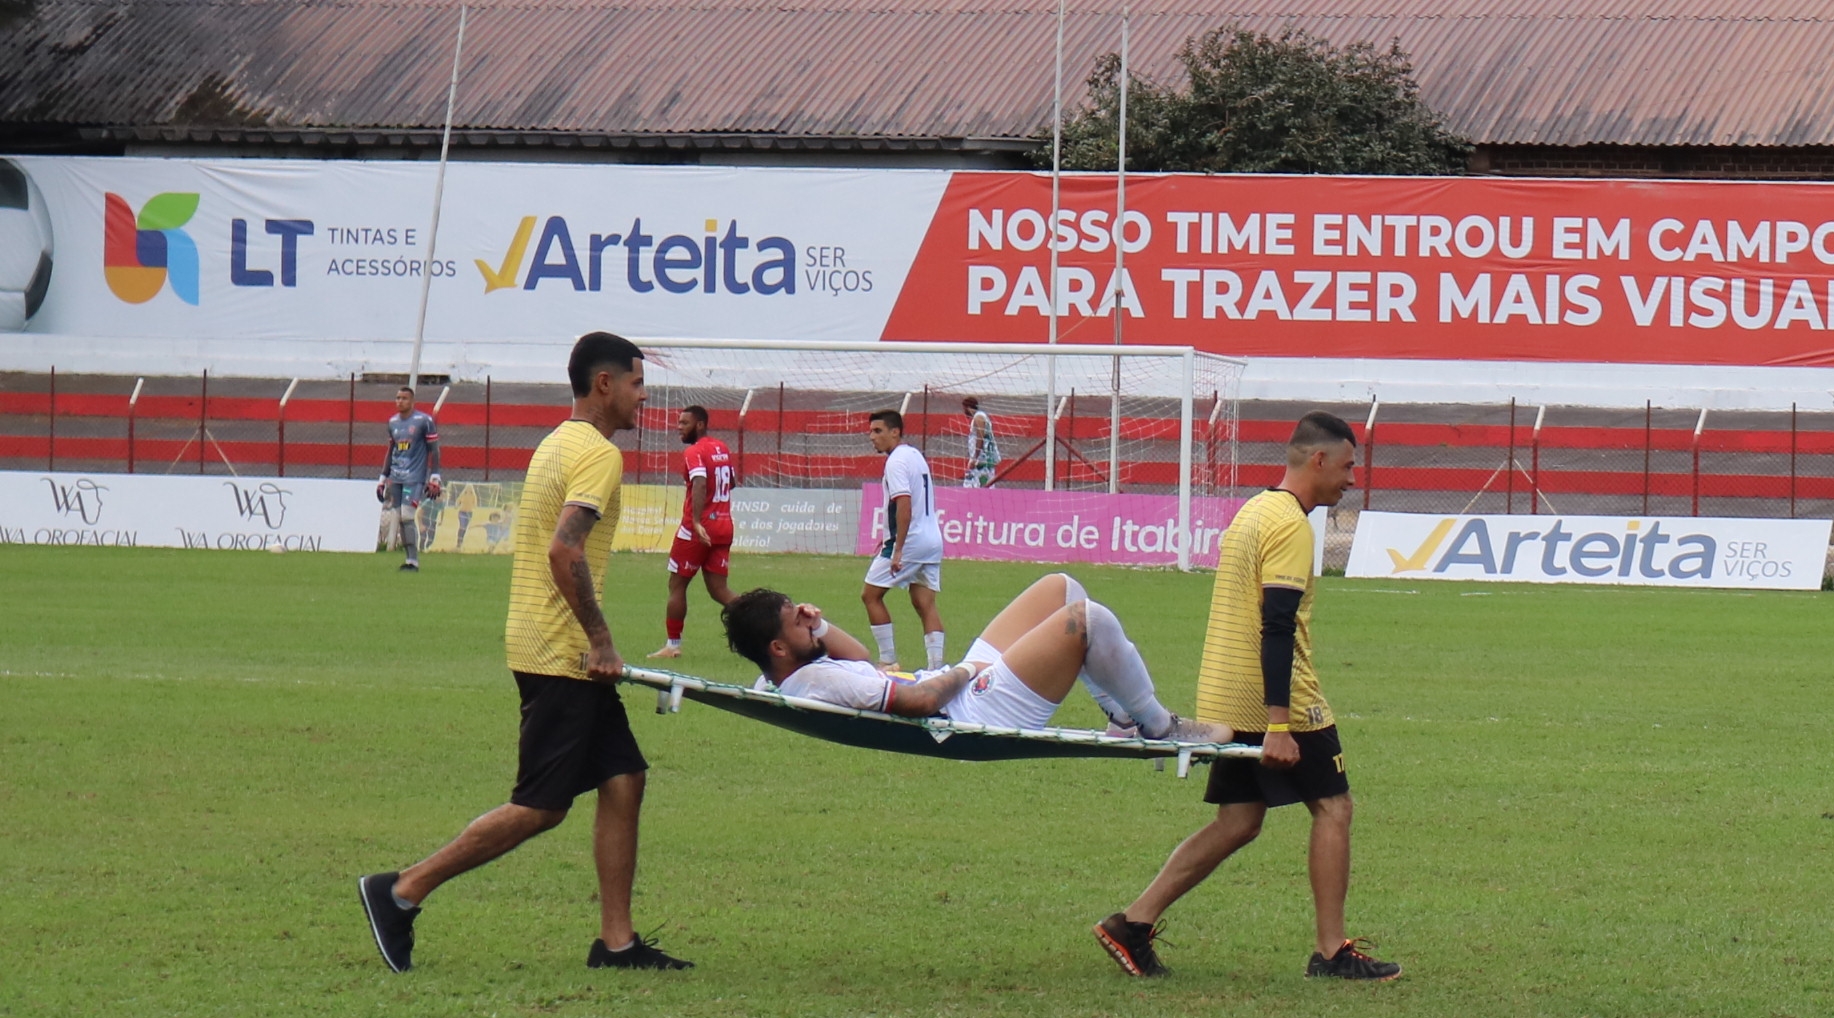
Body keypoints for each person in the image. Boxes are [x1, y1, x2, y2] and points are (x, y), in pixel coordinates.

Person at [358, 332, 692, 974]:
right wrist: (600, 640)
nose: (644, 397)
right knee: (541, 805)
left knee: (624, 778)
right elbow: (565, 550)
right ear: (604, 384)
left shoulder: (556, 442)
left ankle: (617, 944)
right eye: (637, 384)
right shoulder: (598, 454)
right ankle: (400, 891)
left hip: (543, 639)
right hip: (560, 651)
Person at [1093, 412, 1400, 982]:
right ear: (1319, 460)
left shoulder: (1254, 510)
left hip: (1226, 696)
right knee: (1334, 808)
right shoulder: (1290, 526)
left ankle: (1132, 923)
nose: (1352, 479)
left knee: (1239, 820)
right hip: (1278, 703)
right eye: (1347, 466)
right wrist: (1280, 723)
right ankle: (1331, 951)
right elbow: (1276, 625)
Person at [722, 571, 1230, 745]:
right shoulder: (819, 684)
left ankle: (1123, 720)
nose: (807, 619)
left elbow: (861, 661)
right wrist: (969, 670)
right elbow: (919, 702)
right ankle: (1159, 727)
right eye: (797, 622)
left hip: (954, 689)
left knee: (1060, 587)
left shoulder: (786, 675)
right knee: (1085, 619)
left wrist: (817, 627)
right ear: (778, 648)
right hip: (970, 709)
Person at [650, 405, 738, 658]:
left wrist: (698, 521)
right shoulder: (721, 447)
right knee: (719, 590)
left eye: (684, 423)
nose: (679, 427)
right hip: (723, 525)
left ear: (699, 425)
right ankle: (764, 623)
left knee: (677, 585)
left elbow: (700, 482)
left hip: (696, 529)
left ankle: (672, 646)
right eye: (679, 422)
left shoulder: (694, 451)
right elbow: (731, 482)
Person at [861, 409, 945, 669]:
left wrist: (898, 548)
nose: (872, 437)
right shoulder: (914, 455)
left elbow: (904, 504)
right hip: (932, 540)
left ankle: (888, 660)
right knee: (924, 603)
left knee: (870, 595)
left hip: (910, 541)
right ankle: (936, 669)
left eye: (878, 431)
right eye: (871, 431)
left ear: (895, 432)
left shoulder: (895, 461)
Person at [376, 385, 441, 572]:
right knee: (399, 518)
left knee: (407, 516)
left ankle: (413, 561)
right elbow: (391, 450)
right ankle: (409, 560)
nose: (400, 401)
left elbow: (434, 450)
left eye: (404, 398)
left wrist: (435, 476)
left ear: (412, 401)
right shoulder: (393, 422)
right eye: (397, 398)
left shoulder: (424, 421)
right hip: (396, 477)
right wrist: (382, 478)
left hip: (414, 477)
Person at [961, 396, 999, 488]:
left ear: (967, 407)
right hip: (984, 458)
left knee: (971, 485)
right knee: (986, 484)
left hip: (981, 459)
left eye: (964, 408)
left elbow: (980, 437)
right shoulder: (980, 416)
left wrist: (975, 458)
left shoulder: (978, 417)